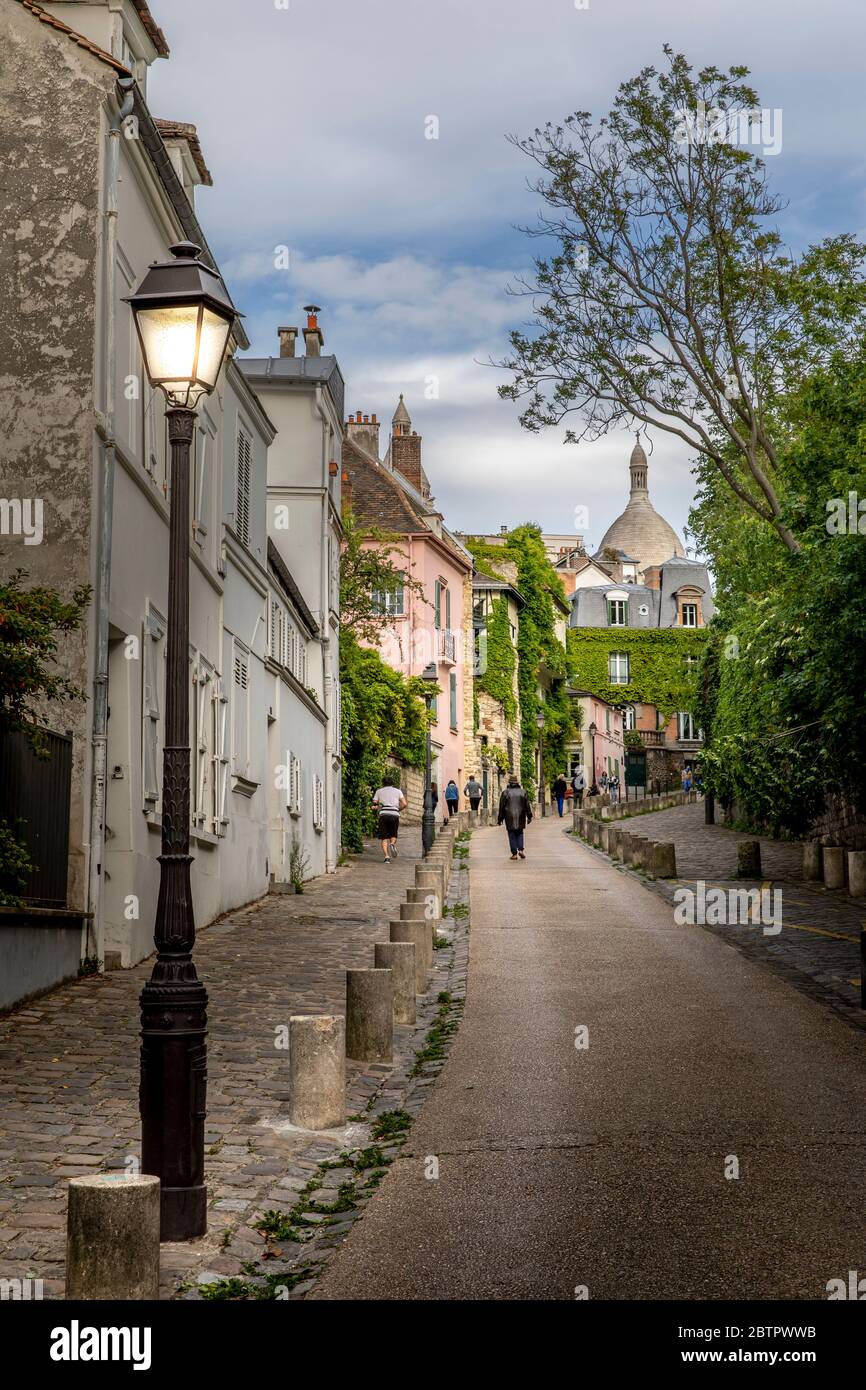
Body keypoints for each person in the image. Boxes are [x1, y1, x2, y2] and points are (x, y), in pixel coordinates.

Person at [371, 774, 407, 863]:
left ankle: (387, 857)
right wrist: (398, 809)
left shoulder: (379, 791)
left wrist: (375, 807)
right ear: (392, 783)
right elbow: (405, 804)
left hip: (383, 814)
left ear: (383, 783)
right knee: (393, 834)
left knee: (384, 837)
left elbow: (375, 803)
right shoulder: (398, 791)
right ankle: (392, 844)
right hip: (394, 814)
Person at [497, 774, 533, 860]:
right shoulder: (523, 792)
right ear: (517, 783)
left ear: (509, 783)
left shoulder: (505, 792)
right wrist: (529, 816)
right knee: (520, 833)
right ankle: (520, 849)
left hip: (509, 816)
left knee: (511, 834)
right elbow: (527, 805)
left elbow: (501, 806)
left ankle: (514, 854)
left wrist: (500, 818)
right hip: (521, 815)